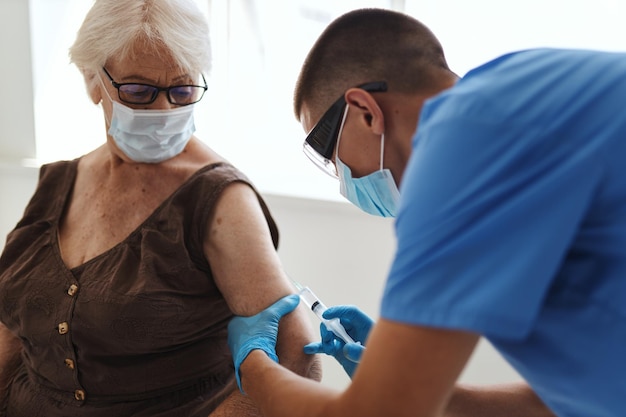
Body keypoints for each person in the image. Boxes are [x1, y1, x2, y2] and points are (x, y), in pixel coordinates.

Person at [226, 7, 626, 417]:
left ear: (366, 111)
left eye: (330, 154)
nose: (342, 178)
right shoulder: (517, 91)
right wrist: (416, 382)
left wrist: (253, 365)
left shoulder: (465, 149)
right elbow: (576, 397)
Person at [0, 0, 320, 416]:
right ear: (92, 81)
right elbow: (11, 326)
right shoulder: (59, 183)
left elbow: (296, 356)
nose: (164, 110)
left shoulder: (219, 200)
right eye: (138, 91)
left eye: (182, 89)